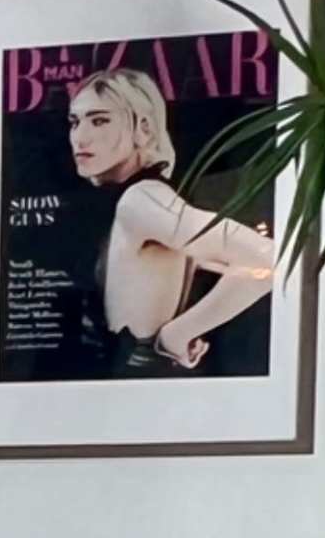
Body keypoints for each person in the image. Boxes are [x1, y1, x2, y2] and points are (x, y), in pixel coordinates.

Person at [64, 66, 281, 371]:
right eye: (74, 122)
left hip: (141, 377)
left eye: (99, 120)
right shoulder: (143, 201)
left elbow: (268, 259)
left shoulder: (143, 200)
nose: (80, 137)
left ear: (143, 128)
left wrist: (176, 334)